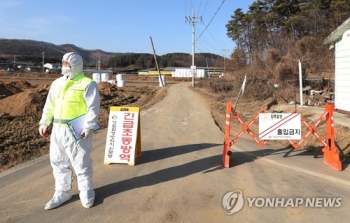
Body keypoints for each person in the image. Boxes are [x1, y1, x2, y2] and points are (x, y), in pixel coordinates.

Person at [38, 52, 100, 210]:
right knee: (58, 162)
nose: (63, 65)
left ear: (75, 65)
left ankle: (86, 191)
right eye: (63, 62)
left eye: (66, 63)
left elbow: (93, 107)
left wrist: (89, 126)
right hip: (58, 130)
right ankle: (62, 191)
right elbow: (49, 105)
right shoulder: (57, 83)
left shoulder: (87, 84)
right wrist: (45, 122)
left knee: (81, 162)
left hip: (77, 130)